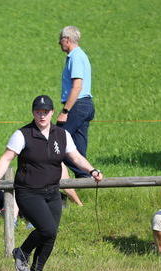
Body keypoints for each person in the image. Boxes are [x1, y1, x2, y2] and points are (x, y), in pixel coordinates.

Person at [0, 95, 103, 271]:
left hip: (52, 192)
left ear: (51, 113)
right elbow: (7, 157)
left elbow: (75, 156)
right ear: (33, 113)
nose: (42, 115)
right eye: (38, 112)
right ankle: (22, 252)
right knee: (47, 229)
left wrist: (92, 170)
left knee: (51, 234)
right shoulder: (22, 134)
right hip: (29, 192)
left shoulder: (62, 134)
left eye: (45, 112)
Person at [56, 26, 95, 179]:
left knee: (56, 142)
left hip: (77, 106)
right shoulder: (80, 55)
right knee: (78, 149)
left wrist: (65, 111)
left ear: (67, 40)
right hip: (85, 105)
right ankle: (85, 186)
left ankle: (85, 175)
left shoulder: (75, 57)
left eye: (60, 40)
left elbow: (77, 86)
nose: (59, 43)